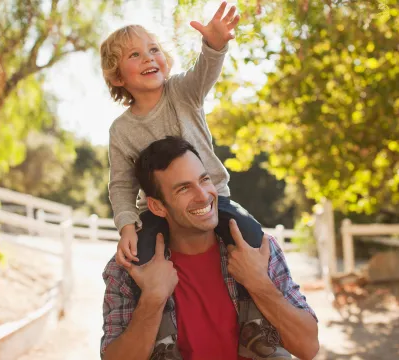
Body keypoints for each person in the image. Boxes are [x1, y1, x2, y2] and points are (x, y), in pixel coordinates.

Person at [99, 4, 288, 357]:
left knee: (250, 237)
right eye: (134, 55)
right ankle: (164, 340)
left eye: (153, 49)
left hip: (215, 197)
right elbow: (121, 185)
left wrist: (215, 45)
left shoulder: (182, 92)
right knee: (141, 258)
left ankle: (254, 326)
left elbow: (206, 71)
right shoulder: (121, 130)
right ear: (117, 77)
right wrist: (127, 225)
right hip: (158, 212)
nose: (148, 58)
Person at [100, 137, 319, 360]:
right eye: (184, 188)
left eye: (204, 180)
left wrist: (259, 283)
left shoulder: (259, 249)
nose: (203, 195)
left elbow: (308, 347)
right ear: (157, 206)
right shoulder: (128, 268)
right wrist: (152, 299)